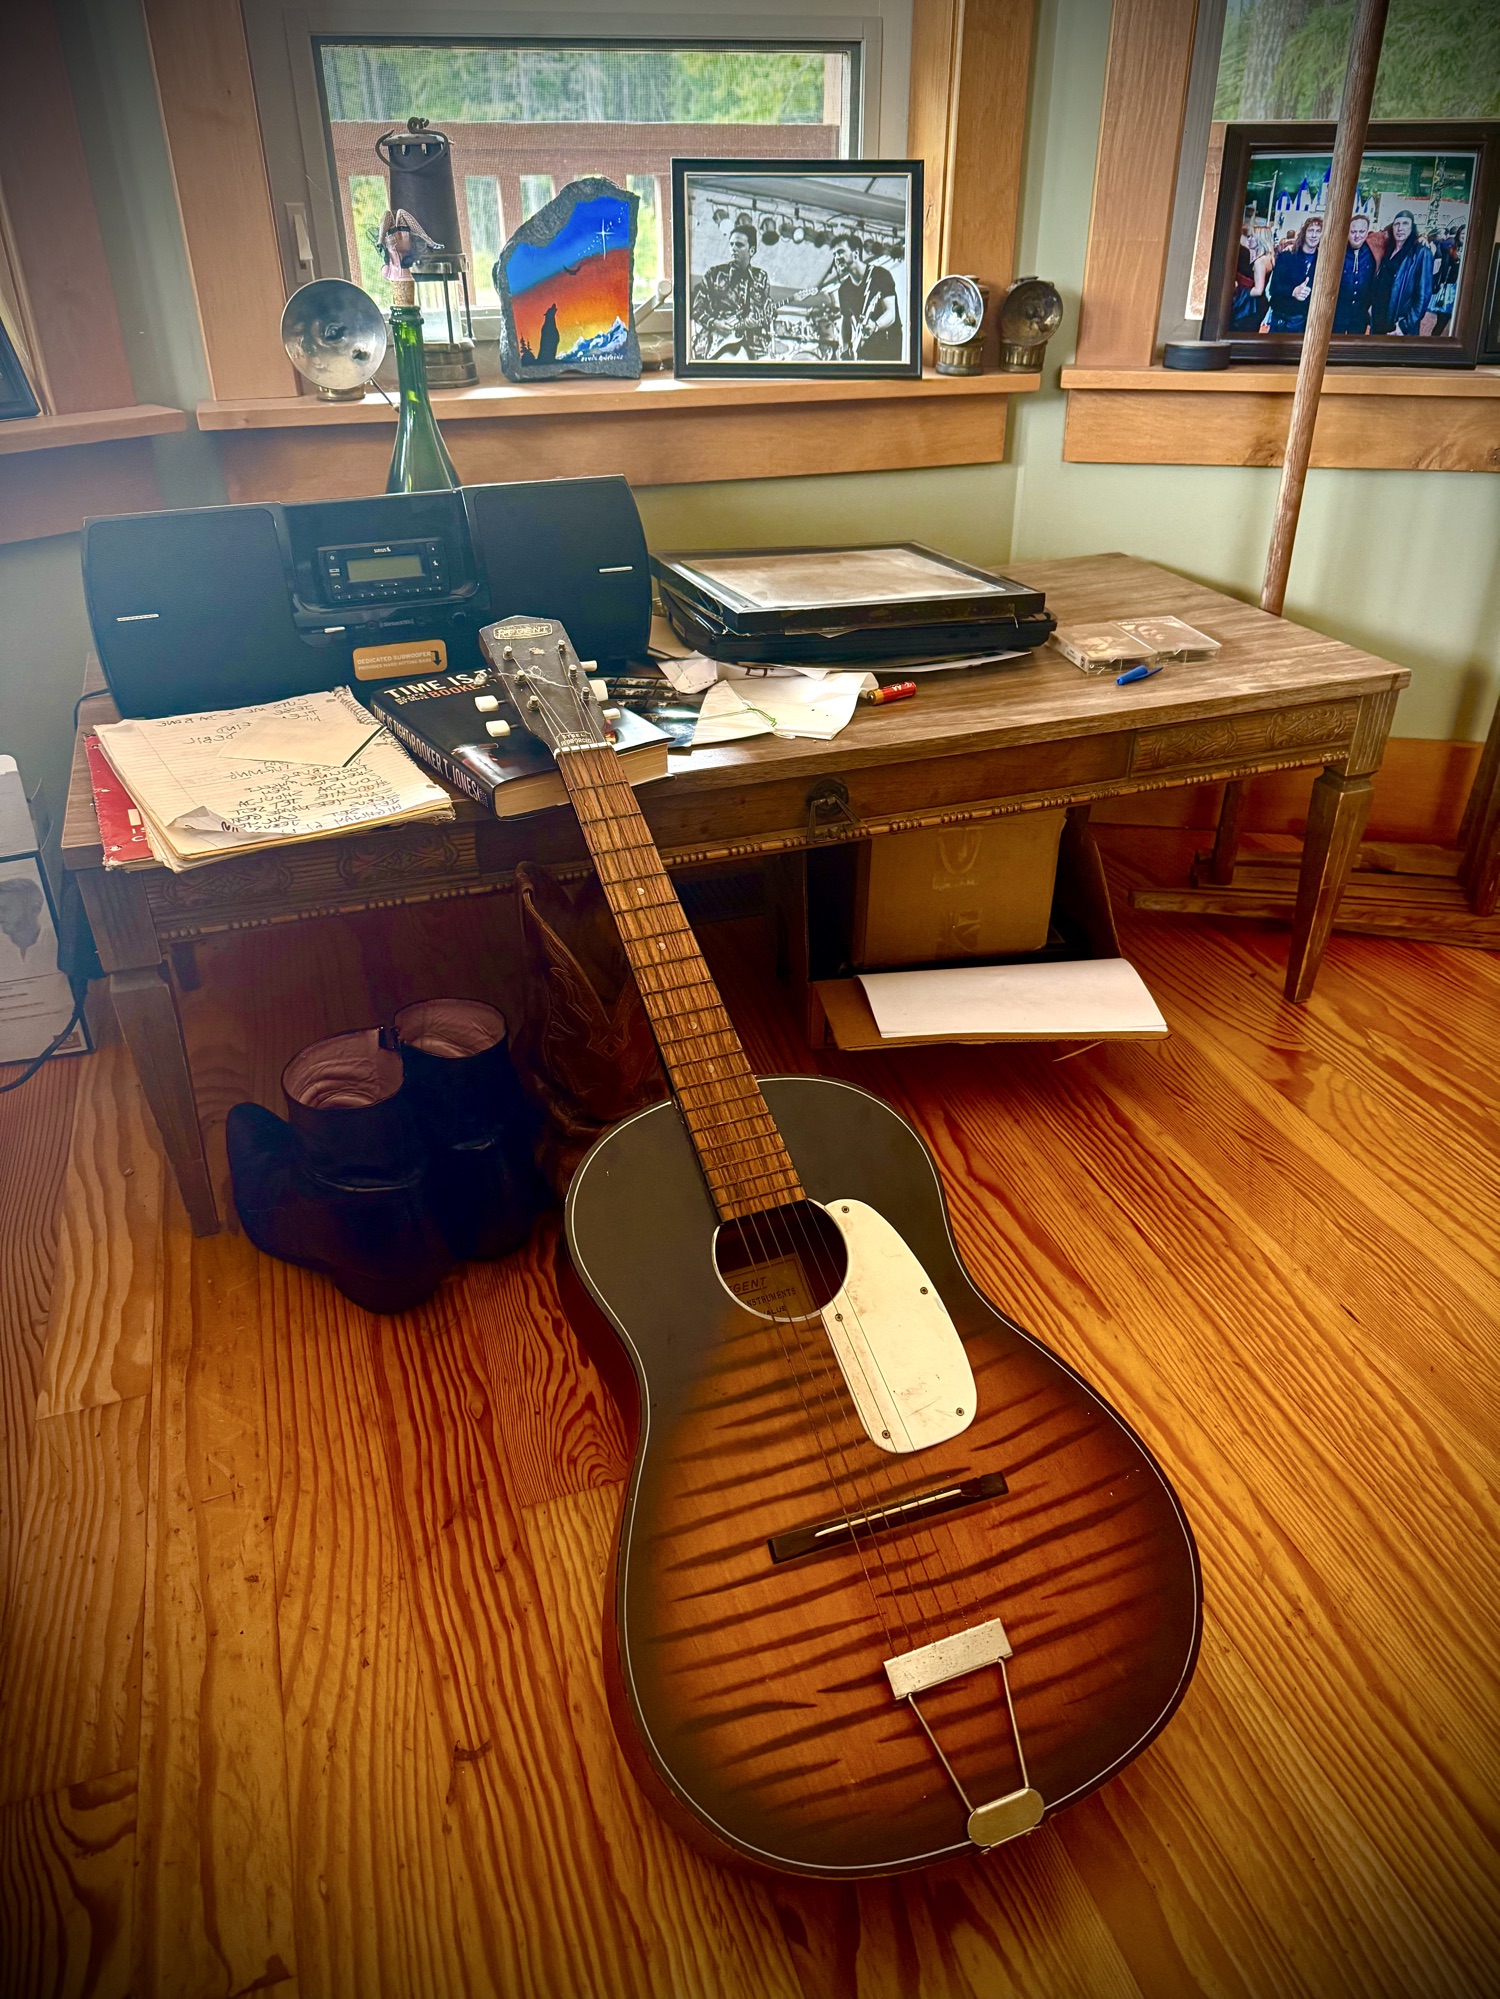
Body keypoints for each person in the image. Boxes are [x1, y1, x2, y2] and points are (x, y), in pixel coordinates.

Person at [690, 215, 773, 360]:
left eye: (739, 245)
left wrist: (758, 321)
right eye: (731, 244)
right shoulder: (714, 274)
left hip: (752, 347)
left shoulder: (761, 277)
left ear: (751, 250)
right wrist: (715, 323)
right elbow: (696, 309)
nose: (733, 248)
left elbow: (767, 312)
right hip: (718, 345)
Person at [833, 232, 903, 361]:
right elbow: (845, 321)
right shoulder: (844, 289)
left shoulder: (880, 275)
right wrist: (845, 346)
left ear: (855, 253)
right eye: (834, 254)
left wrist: (875, 325)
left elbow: (891, 313)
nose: (836, 258)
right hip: (866, 350)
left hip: (889, 346)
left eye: (840, 252)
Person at [1370, 210, 1433, 337]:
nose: (1400, 228)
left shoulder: (1421, 252)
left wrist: (1405, 326)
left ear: (1412, 227)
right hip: (1379, 319)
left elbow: (1423, 296)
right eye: (1397, 224)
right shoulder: (1388, 249)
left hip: (1398, 323)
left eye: (1405, 224)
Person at [1267, 215, 1323, 332]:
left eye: (1318, 231)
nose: (1314, 235)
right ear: (1304, 233)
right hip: (1281, 319)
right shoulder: (1287, 257)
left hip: (1306, 322)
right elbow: (1274, 288)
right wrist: (1293, 291)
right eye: (1311, 231)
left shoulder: (1323, 262)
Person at [1333, 213, 1377, 335]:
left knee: (1356, 343)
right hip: (1338, 314)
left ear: (1367, 232)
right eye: (1353, 232)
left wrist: (1420, 237)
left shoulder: (1374, 250)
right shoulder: (1338, 251)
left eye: (1361, 231)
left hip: (1360, 314)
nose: (1357, 236)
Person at [1230, 221, 1274, 333]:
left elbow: (1258, 290)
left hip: (1252, 306)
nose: (1249, 240)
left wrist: (1240, 292)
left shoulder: (1260, 262)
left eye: (1251, 237)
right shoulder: (1269, 258)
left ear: (1260, 239)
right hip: (1258, 305)